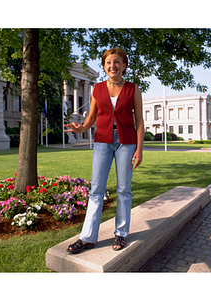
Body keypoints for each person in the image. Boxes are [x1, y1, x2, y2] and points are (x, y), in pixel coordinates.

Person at [64, 48, 144, 253]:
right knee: (96, 190)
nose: (112, 66)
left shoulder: (133, 89)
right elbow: (91, 118)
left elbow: (140, 121)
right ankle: (88, 237)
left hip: (126, 142)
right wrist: (80, 128)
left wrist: (139, 149)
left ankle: (121, 233)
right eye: (108, 62)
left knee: (124, 189)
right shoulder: (97, 89)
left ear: (124, 66)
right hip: (102, 141)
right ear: (104, 66)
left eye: (117, 62)